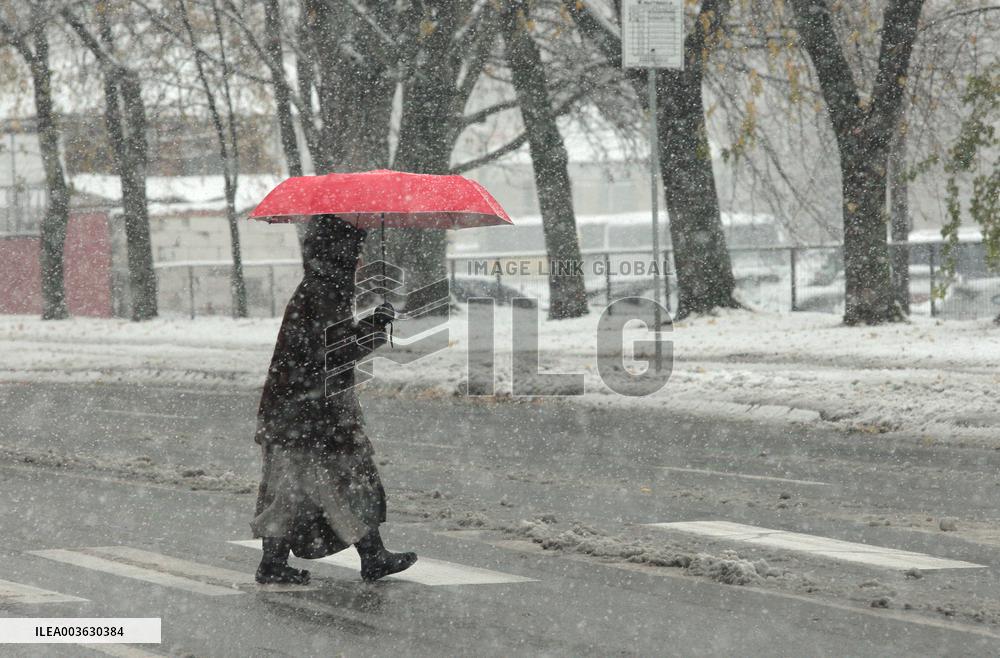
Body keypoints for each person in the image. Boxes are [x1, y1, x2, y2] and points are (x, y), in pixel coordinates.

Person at [251, 216, 417, 584]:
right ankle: (366, 556)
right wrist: (374, 328)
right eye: (355, 249)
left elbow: (327, 346)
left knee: (305, 486)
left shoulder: (322, 287)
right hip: (311, 409)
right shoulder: (326, 290)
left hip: (302, 408)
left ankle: (285, 561)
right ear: (339, 251)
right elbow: (333, 353)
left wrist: (368, 325)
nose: (359, 260)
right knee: (336, 482)